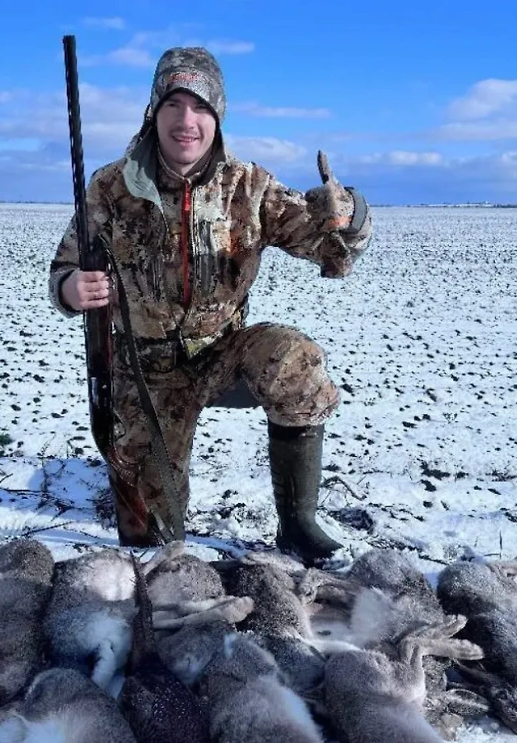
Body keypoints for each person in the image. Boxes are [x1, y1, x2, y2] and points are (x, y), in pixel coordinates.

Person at [49, 46, 372, 567]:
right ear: (154, 110)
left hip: (223, 354)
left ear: (217, 117)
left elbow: (332, 251)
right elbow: (65, 268)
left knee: (295, 358)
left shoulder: (250, 186)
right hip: (144, 370)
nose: (186, 121)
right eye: (173, 104)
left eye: (200, 107)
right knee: (152, 544)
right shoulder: (110, 187)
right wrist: (71, 290)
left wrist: (349, 216)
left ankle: (298, 526)